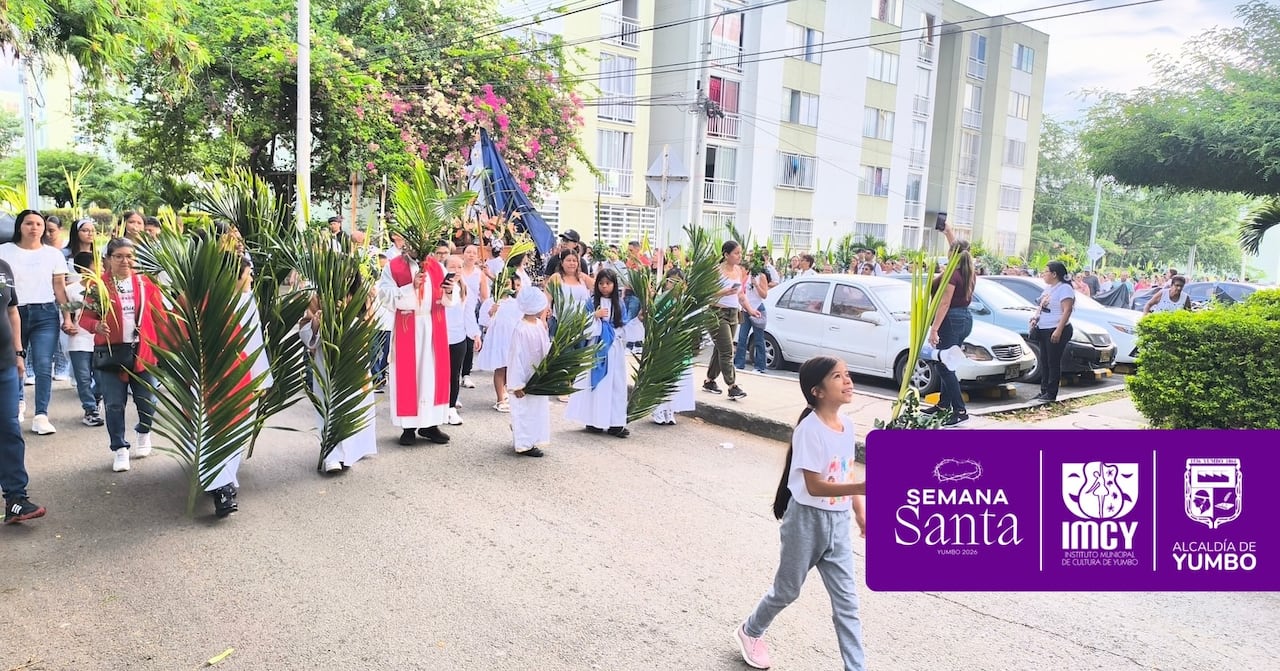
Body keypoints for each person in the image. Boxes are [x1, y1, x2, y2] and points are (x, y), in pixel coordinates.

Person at [736, 355, 867, 671]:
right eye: (838, 377)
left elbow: (846, 474)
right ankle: (750, 631)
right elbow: (815, 486)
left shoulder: (847, 426)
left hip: (837, 524)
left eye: (847, 375)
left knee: (847, 605)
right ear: (817, 391)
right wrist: (864, 487)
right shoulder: (809, 430)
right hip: (805, 521)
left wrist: (860, 513)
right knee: (787, 590)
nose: (847, 381)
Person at [79, 238, 162, 473]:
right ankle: (119, 448)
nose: (125, 261)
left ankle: (144, 431)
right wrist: (96, 327)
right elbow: (84, 318)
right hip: (111, 354)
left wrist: (166, 348)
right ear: (108, 259)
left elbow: (160, 317)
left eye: (129, 256)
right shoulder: (99, 285)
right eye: (119, 256)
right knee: (114, 405)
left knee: (148, 402)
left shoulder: (146, 284)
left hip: (143, 353)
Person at [0, 210, 77, 434]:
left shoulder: (53, 255)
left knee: (44, 363)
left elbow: (60, 288)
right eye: (29, 223)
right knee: (15, 359)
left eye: (39, 224)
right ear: (19, 226)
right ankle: (17, 402)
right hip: (12, 313)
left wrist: (67, 316)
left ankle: (41, 414)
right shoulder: (4, 251)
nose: (34, 228)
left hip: (45, 312)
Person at [379, 244, 452, 446]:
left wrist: (449, 291)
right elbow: (384, 296)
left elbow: (448, 301)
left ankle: (430, 425)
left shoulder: (436, 267)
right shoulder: (394, 266)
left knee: (431, 377)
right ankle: (408, 427)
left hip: (433, 325)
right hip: (408, 325)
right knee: (409, 376)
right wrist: (412, 286)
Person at [299, 287, 376, 474]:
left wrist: (346, 317)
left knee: (353, 405)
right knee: (330, 404)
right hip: (327, 360)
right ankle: (331, 455)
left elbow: (370, 325)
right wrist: (317, 323)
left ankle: (350, 451)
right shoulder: (320, 296)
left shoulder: (363, 294)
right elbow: (305, 328)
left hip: (354, 357)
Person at [1, 254, 45, 524]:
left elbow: (12, 311)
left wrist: (18, 352)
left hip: (4, 363)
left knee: (9, 430)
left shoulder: (3, 267)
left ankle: (16, 498)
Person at [566, 268, 635, 437]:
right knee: (597, 386)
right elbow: (582, 325)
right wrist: (594, 317)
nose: (605, 287)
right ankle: (595, 420)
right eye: (601, 283)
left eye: (608, 283)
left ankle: (615, 423)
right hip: (596, 347)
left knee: (616, 385)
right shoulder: (591, 303)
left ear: (614, 284)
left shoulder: (619, 303)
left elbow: (623, 325)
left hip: (614, 348)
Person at [924, 224, 977, 426]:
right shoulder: (967, 270)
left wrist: (934, 329)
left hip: (950, 319)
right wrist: (948, 232)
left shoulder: (952, 275)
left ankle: (959, 409)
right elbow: (959, 248)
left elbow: (944, 302)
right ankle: (944, 405)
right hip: (964, 319)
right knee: (949, 362)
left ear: (951, 254)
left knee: (944, 365)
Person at [506, 286, 552, 457]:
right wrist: (517, 384)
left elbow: (544, 347)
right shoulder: (521, 329)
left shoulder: (539, 325)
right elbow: (515, 358)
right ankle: (524, 443)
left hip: (537, 375)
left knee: (535, 409)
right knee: (524, 410)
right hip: (524, 377)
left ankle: (533, 438)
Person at [703, 240, 749, 400]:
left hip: (733, 313)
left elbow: (741, 294)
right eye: (736, 253)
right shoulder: (716, 270)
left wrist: (750, 310)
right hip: (717, 313)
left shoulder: (739, 270)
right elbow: (706, 293)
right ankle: (732, 385)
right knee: (728, 350)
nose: (739, 256)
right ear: (726, 254)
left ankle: (709, 380)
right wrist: (723, 292)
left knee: (720, 348)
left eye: (740, 253)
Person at [651, 268, 696, 426]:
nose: (674, 285)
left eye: (679, 282)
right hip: (664, 342)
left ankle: (670, 408)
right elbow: (654, 318)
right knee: (662, 377)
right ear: (666, 282)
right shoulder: (661, 299)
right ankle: (658, 409)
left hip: (679, 343)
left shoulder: (685, 301)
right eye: (672, 281)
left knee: (676, 378)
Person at [441, 255, 481, 425]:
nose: (456, 271)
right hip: (441, 336)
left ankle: (451, 407)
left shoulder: (464, 288)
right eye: (452, 267)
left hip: (458, 337)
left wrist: (475, 334)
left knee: (454, 374)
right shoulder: (440, 287)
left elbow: (469, 313)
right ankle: (440, 406)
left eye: (459, 267)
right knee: (440, 374)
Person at [65, 252, 103, 426]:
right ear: (83, 269)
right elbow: (66, 312)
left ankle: (96, 397)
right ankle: (90, 409)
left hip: (101, 339)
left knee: (103, 377)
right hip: (79, 339)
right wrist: (66, 324)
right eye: (97, 264)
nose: (101, 267)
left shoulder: (106, 289)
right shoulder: (71, 290)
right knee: (83, 377)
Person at [1029, 261, 1075, 403]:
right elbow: (1041, 306)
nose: (1043, 274)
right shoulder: (1049, 288)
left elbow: (1067, 310)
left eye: (1046, 271)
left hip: (1056, 329)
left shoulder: (1065, 289)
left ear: (1054, 274)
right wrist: (1035, 318)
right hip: (1043, 328)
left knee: (1053, 361)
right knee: (1044, 360)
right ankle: (1044, 390)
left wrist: (1058, 330)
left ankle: (1051, 392)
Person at [475, 274, 521, 413]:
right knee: (500, 367)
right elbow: (483, 322)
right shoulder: (490, 302)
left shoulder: (515, 303)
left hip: (511, 338)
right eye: (502, 284)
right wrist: (491, 312)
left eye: (508, 284)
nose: (506, 287)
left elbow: (519, 320)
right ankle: (499, 398)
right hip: (497, 338)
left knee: (509, 367)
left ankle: (506, 391)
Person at [458, 244, 489, 389]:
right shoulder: (457, 270)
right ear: (463, 254)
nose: (471, 255)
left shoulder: (479, 274)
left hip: (471, 310)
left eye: (474, 253)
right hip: (456, 308)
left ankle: (466, 374)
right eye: (468, 252)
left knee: (470, 342)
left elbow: (484, 296)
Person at [733, 263, 768, 375]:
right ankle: (739, 363)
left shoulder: (761, 276)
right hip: (746, 310)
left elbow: (764, 295)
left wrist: (756, 285)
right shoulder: (745, 276)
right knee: (742, 337)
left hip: (757, 308)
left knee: (759, 338)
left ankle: (760, 366)